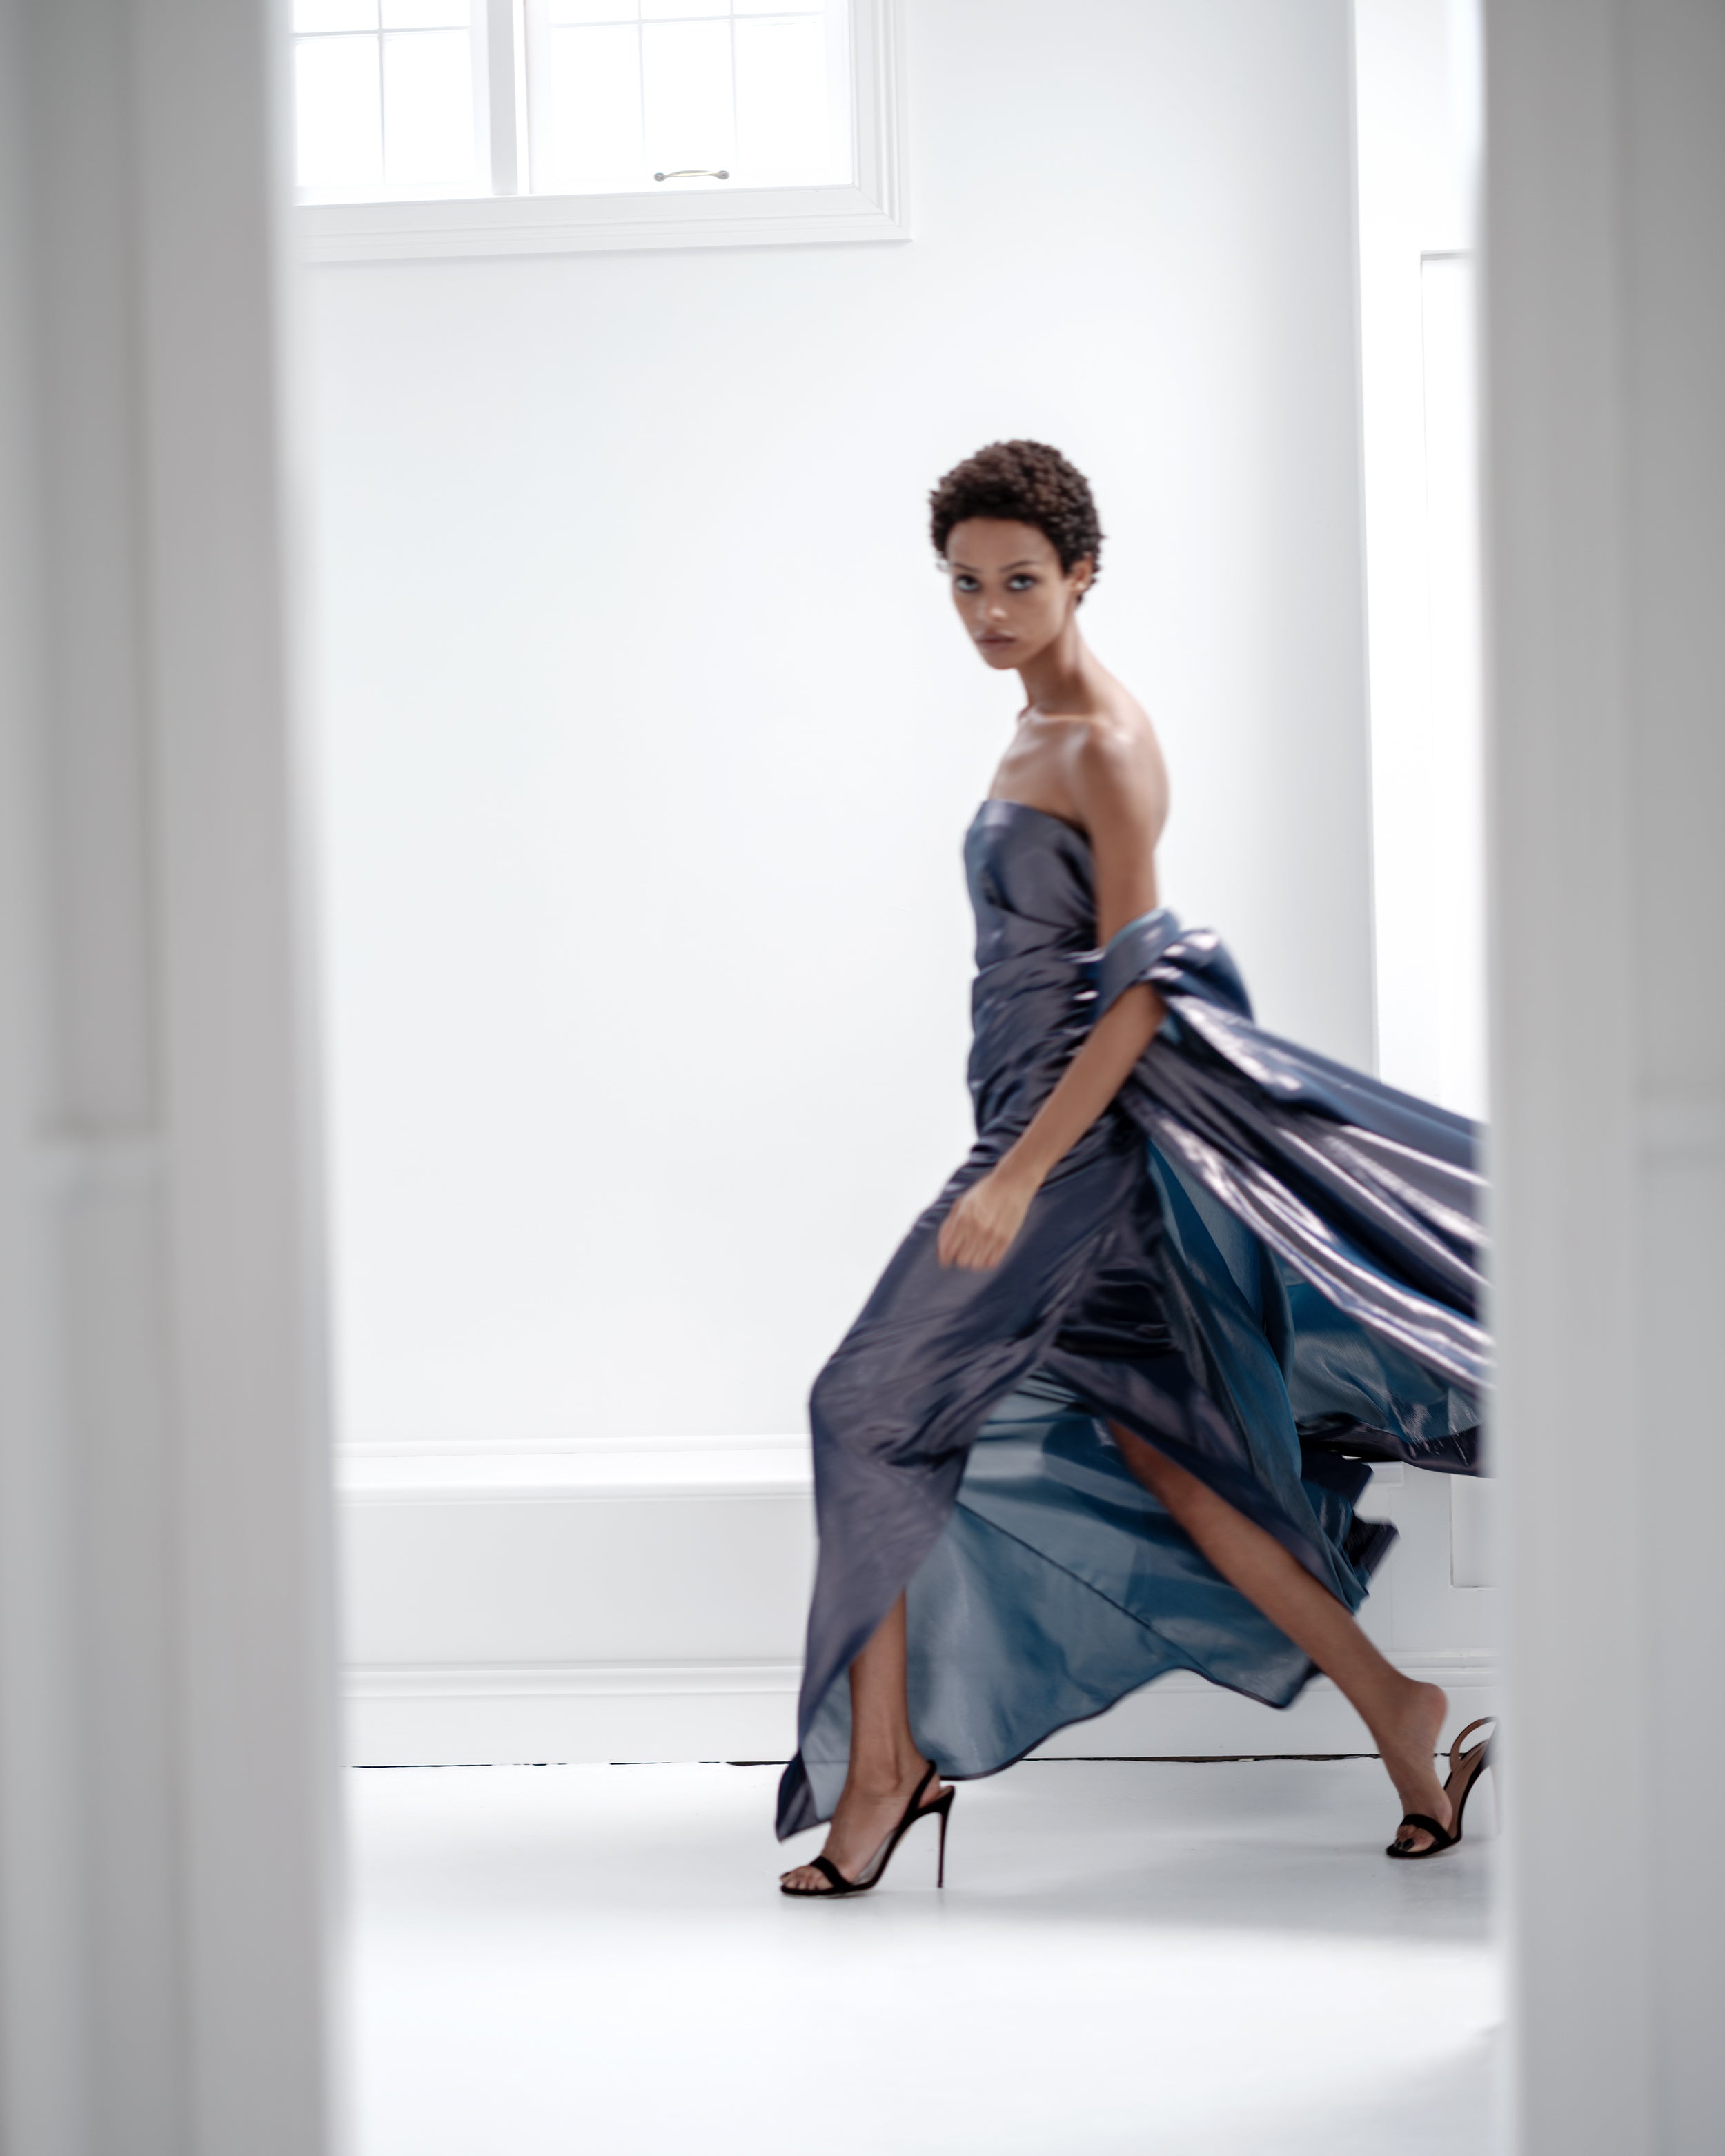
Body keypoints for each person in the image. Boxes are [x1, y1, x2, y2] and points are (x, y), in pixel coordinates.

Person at [778, 442, 1493, 1899]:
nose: (986, 610)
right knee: (1174, 1457)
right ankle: (1402, 1717)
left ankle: (881, 1770)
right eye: (964, 584)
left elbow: (1144, 987)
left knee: (859, 1410)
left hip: (1062, 1153)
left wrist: (1010, 1178)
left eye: (1018, 582)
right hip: (1031, 1135)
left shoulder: (1100, 739)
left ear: (1081, 574)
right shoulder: (1029, 723)